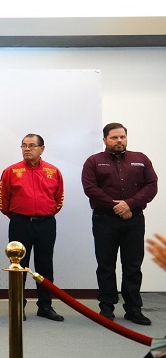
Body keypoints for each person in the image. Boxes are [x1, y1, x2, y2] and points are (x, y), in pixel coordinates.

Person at [82, 122, 158, 325]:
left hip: (134, 220)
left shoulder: (140, 159)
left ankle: (133, 309)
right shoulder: (93, 161)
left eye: (122, 137)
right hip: (104, 220)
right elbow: (90, 188)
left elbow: (151, 186)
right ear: (105, 140)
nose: (119, 141)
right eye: (114, 137)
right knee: (106, 265)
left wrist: (129, 205)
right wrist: (116, 206)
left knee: (132, 265)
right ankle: (106, 308)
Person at [0, 133, 64, 322]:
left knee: (45, 265)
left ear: (42, 149)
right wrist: (19, 215)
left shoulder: (53, 171)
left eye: (32, 145)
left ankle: (45, 306)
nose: (27, 149)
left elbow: (58, 199)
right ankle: (18, 307)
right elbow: (4, 201)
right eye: (24, 145)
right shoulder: (11, 171)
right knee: (19, 267)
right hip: (20, 223)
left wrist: (45, 213)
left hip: (46, 223)